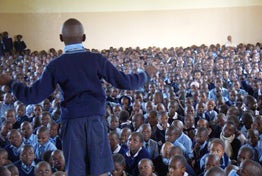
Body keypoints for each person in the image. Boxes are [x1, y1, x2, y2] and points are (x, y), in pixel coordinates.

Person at [0, 18, 157, 176]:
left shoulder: (56, 65)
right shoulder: (96, 60)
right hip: (95, 123)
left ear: (61, 38)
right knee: (100, 172)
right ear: (84, 38)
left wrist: (11, 82)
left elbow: (32, 96)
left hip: (72, 125)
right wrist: (146, 74)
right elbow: (125, 82)